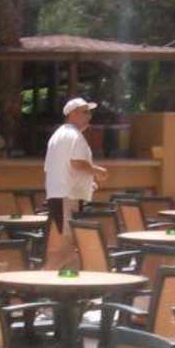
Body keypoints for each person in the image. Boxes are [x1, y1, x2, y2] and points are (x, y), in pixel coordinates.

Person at [43, 98, 107, 270]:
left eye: (89, 112)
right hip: (66, 198)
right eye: (85, 112)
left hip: (60, 195)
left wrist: (87, 183)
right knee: (66, 246)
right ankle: (41, 278)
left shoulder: (58, 135)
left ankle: (69, 281)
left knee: (68, 246)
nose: (89, 116)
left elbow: (60, 168)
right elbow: (77, 163)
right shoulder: (74, 135)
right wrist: (98, 171)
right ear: (72, 114)